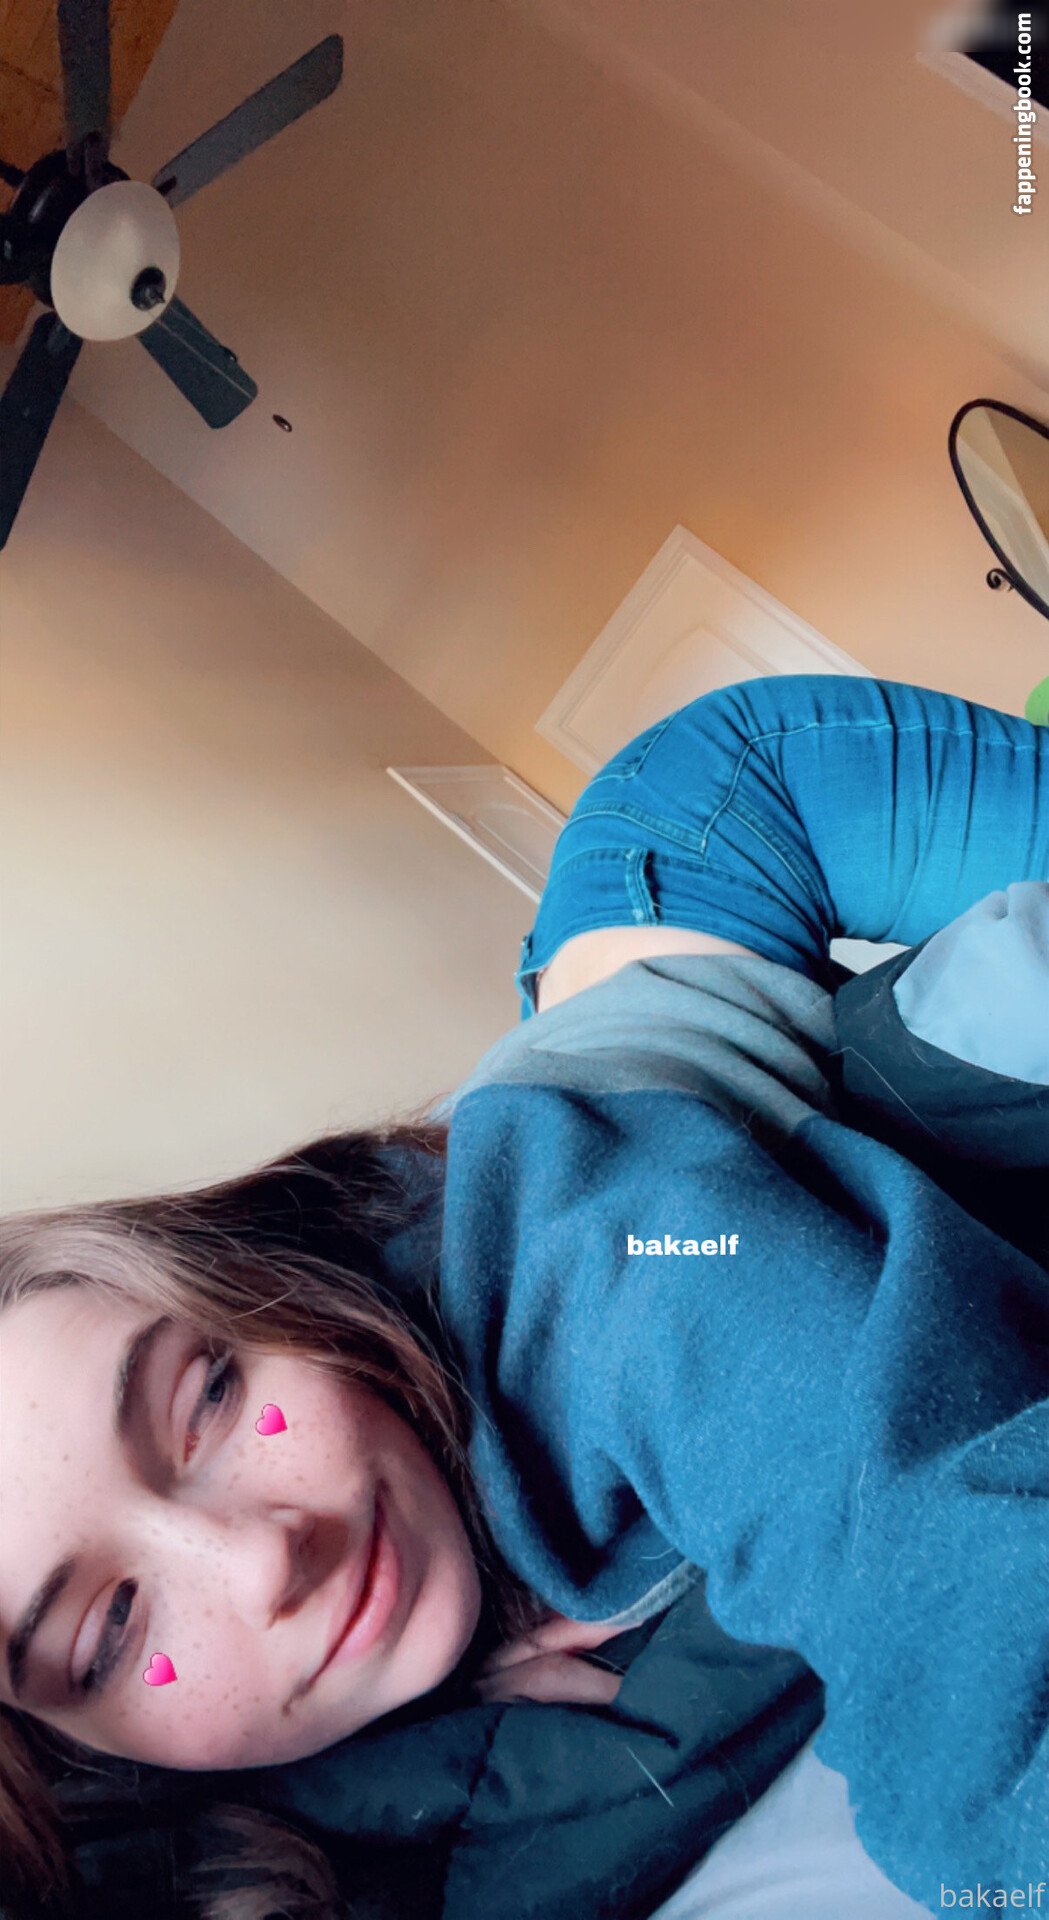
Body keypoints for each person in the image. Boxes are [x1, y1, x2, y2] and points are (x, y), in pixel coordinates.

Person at [1, 675, 1046, 1920]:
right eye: (111, 1631)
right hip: (591, 1050)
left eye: (209, 1398)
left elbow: (913, 1543)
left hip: (712, 819)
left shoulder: (598, 1259)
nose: (265, 1554)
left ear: (269, 1299)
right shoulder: (238, 1790)